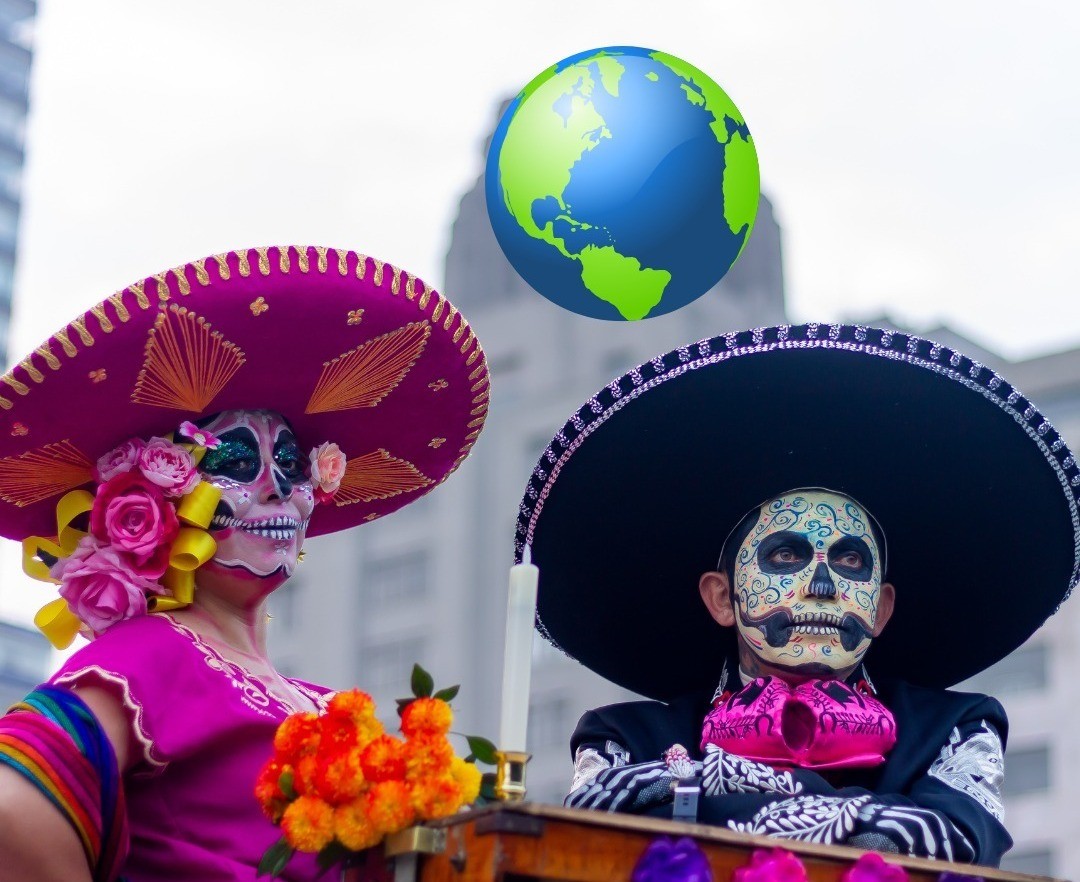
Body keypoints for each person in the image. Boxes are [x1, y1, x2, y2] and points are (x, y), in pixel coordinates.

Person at [0, 245, 489, 881]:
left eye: (290, 463)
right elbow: (13, 808)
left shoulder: (324, 703)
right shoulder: (152, 653)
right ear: (153, 497)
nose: (278, 486)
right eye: (234, 461)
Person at [513, 323, 1080, 867]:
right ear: (722, 598)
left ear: (880, 609)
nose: (824, 586)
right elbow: (593, 829)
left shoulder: (957, 728)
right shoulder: (624, 736)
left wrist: (699, 784)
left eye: (850, 560)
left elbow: (947, 838)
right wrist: (849, 811)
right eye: (786, 556)